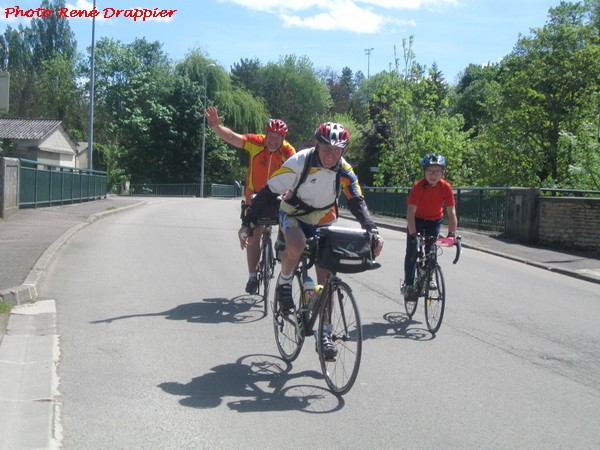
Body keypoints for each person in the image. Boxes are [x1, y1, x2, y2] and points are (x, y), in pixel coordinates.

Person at [240, 122, 384, 358]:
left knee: (326, 276)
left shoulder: (344, 169)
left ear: (344, 151)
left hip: (324, 219)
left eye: (337, 150)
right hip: (294, 214)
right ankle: (285, 282)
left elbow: (357, 200)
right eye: (326, 147)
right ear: (316, 144)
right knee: (295, 244)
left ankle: (325, 334)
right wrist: (249, 223)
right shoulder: (300, 161)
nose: (331, 154)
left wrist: (372, 229)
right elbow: (268, 191)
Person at [205, 106, 296, 294]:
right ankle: (253, 277)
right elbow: (233, 137)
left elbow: (298, 173)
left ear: (283, 139)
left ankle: (280, 242)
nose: (273, 140)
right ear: (266, 134)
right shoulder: (256, 143)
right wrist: (216, 128)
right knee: (254, 234)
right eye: (270, 136)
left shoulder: (288, 152)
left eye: (277, 138)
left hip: (278, 194)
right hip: (254, 194)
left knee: (289, 223)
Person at [402, 153, 458, 301]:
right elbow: (410, 213)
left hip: (435, 220)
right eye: (430, 171)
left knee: (432, 249)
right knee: (413, 252)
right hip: (417, 219)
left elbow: (451, 213)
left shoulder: (446, 188)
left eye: (437, 171)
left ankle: (430, 276)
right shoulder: (418, 187)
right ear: (424, 172)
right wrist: (414, 235)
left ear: (443, 172)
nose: (433, 175)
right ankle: (408, 285)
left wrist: (451, 234)